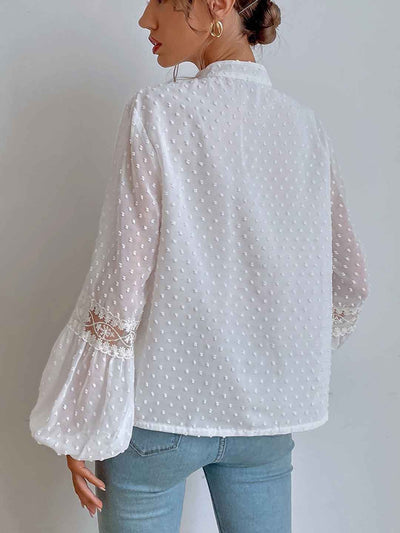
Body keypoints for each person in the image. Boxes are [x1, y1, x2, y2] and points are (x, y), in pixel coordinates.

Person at [29, 0, 370, 531]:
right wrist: (277, 354)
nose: (145, 19)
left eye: (159, 0)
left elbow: (122, 279)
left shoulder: (156, 113)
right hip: (264, 421)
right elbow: (349, 282)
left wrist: (81, 414)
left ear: (218, 4)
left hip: (158, 415)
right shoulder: (305, 129)